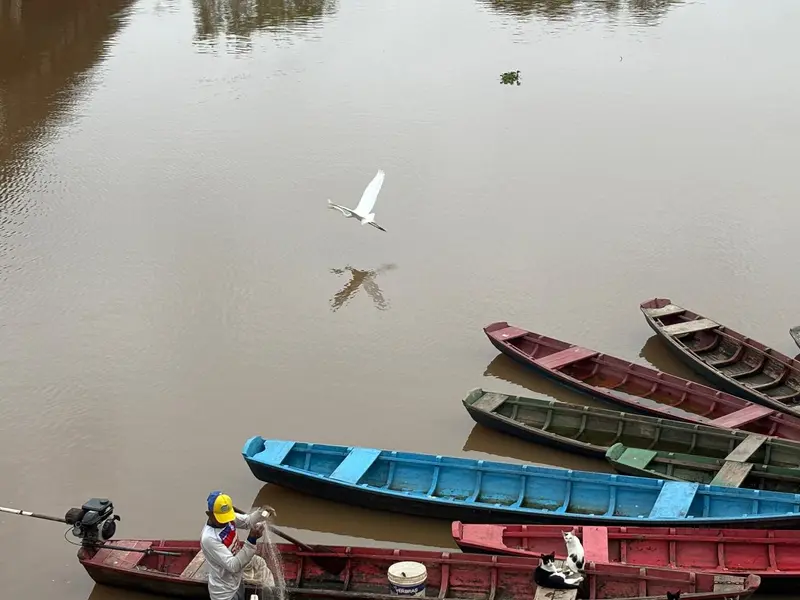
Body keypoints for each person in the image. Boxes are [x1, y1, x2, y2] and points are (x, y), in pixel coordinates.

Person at [200, 490, 275, 600]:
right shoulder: (209, 538)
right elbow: (233, 566)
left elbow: (247, 521)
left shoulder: (227, 517)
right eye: (222, 519)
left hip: (237, 580)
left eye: (227, 517)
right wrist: (251, 540)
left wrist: (261, 513)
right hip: (224, 592)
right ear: (210, 514)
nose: (226, 521)